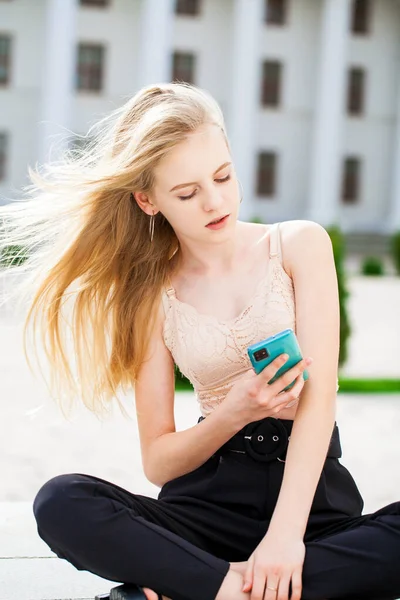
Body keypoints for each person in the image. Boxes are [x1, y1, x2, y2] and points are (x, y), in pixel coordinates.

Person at [2, 82, 400, 600]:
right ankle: (245, 590)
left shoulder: (300, 244)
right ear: (148, 200)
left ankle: (196, 586)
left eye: (223, 176)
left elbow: (318, 402)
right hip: (203, 511)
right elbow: (159, 462)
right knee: (61, 501)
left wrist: (283, 540)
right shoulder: (149, 294)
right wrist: (233, 410)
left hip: (311, 511)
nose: (214, 201)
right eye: (187, 193)